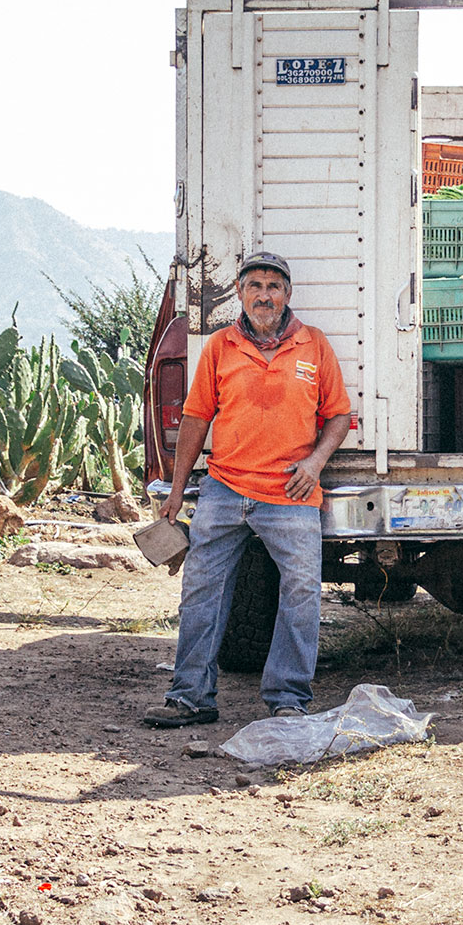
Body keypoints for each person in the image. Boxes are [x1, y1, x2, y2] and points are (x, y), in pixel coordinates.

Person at [142, 251, 351, 728]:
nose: (264, 294)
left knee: (300, 593)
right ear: (239, 293)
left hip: (290, 495)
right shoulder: (220, 345)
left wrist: (315, 463)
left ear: (288, 295)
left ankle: (287, 698)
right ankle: (191, 696)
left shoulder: (313, 344)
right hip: (225, 487)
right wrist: (177, 490)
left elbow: (339, 414)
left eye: (274, 286)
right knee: (201, 590)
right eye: (254, 285)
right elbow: (196, 418)